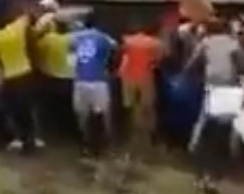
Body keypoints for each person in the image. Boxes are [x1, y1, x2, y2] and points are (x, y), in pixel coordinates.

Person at [188, 17, 244, 190]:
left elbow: (192, 64)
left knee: (205, 130)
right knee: (227, 130)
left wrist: (194, 76)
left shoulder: (205, 43)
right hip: (231, 89)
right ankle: (225, 169)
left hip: (213, 89)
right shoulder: (233, 44)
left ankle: (200, 171)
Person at [0, 0, 43, 152]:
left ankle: (18, 138)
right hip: (25, 73)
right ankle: (31, 138)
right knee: (27, 108)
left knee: (11, 109)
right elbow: (30, 15)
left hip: (9, 77)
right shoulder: (17, 27)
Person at [69, 14, 119, 155]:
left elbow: (69, 52)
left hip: (80, 80)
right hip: (98, 80)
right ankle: (106, 143)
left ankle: (85, 143)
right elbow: (115, 47)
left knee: (82, 115)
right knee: (103, 114)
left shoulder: (75, 37)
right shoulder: (102, 37)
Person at [120, 20, 163, 152]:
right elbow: (158, 60)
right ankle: (150, 135)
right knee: (148, 107)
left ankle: (135, 133)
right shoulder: (154, 42)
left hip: (128, 76)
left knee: (133, 106)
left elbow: (122, 56)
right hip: (146, 77)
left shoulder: (127, 41)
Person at [36, 16, 76, 142]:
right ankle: (69, 133)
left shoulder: (47, 39)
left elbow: (37, 53)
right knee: (68, 108)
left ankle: (50, 134)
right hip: (68, 79)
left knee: (49, 108)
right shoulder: (70, 39)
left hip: (50, 78)